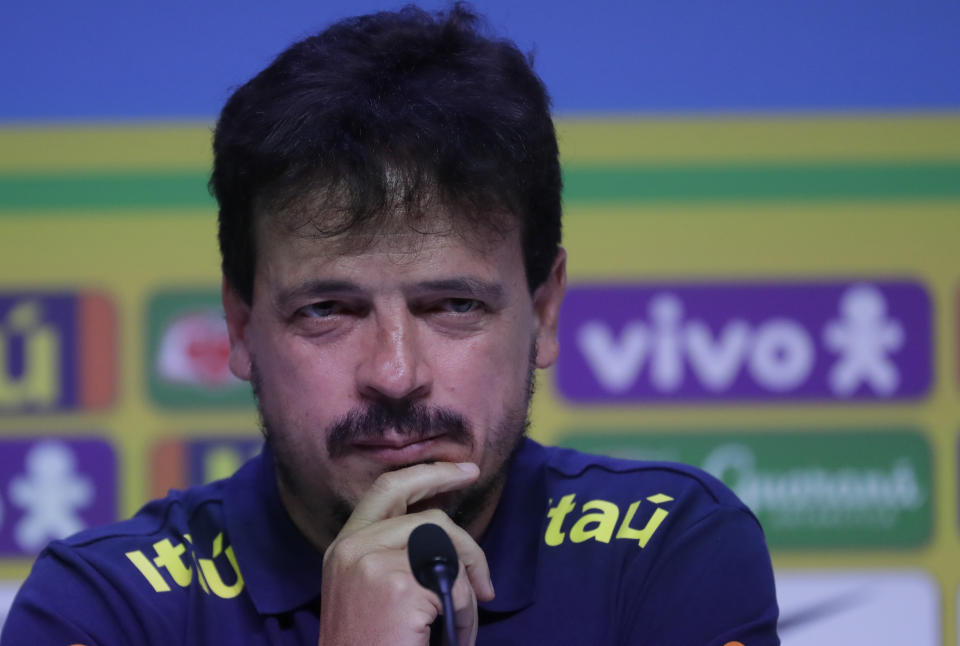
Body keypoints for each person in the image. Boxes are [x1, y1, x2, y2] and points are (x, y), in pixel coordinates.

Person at [1, 4, 779, 645]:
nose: (396, 373)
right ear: (240, 327)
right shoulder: (105, 609)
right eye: (328, 311)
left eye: (453, 306)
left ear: (544, 311)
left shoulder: (663, 549)